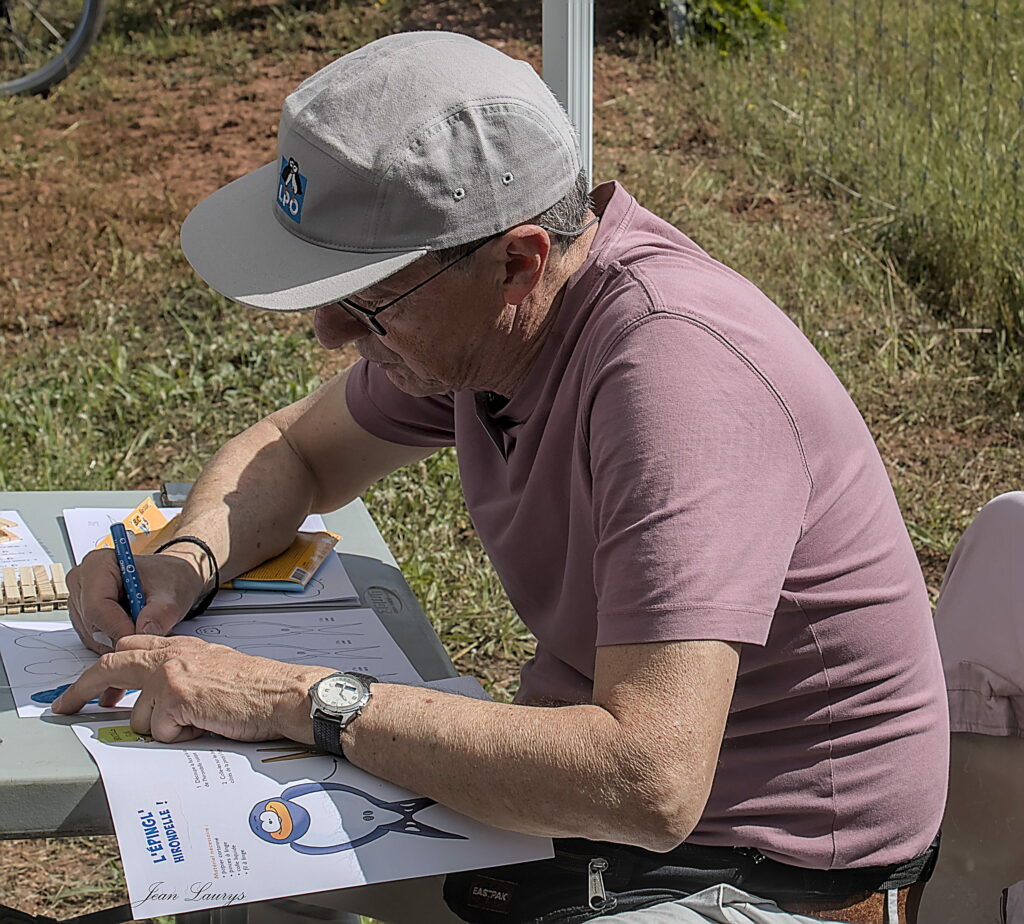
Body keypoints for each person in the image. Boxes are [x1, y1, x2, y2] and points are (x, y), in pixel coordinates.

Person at [54, 31, 949, 924]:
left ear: (518, 262)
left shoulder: (676, 378)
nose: (330, 333)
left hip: (766, 872)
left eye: (367, 301)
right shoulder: (488, 327)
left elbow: (649, 781)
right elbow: (295, 449)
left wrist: (294, 698)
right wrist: (183, 563)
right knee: (234, 870)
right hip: (602, 827)